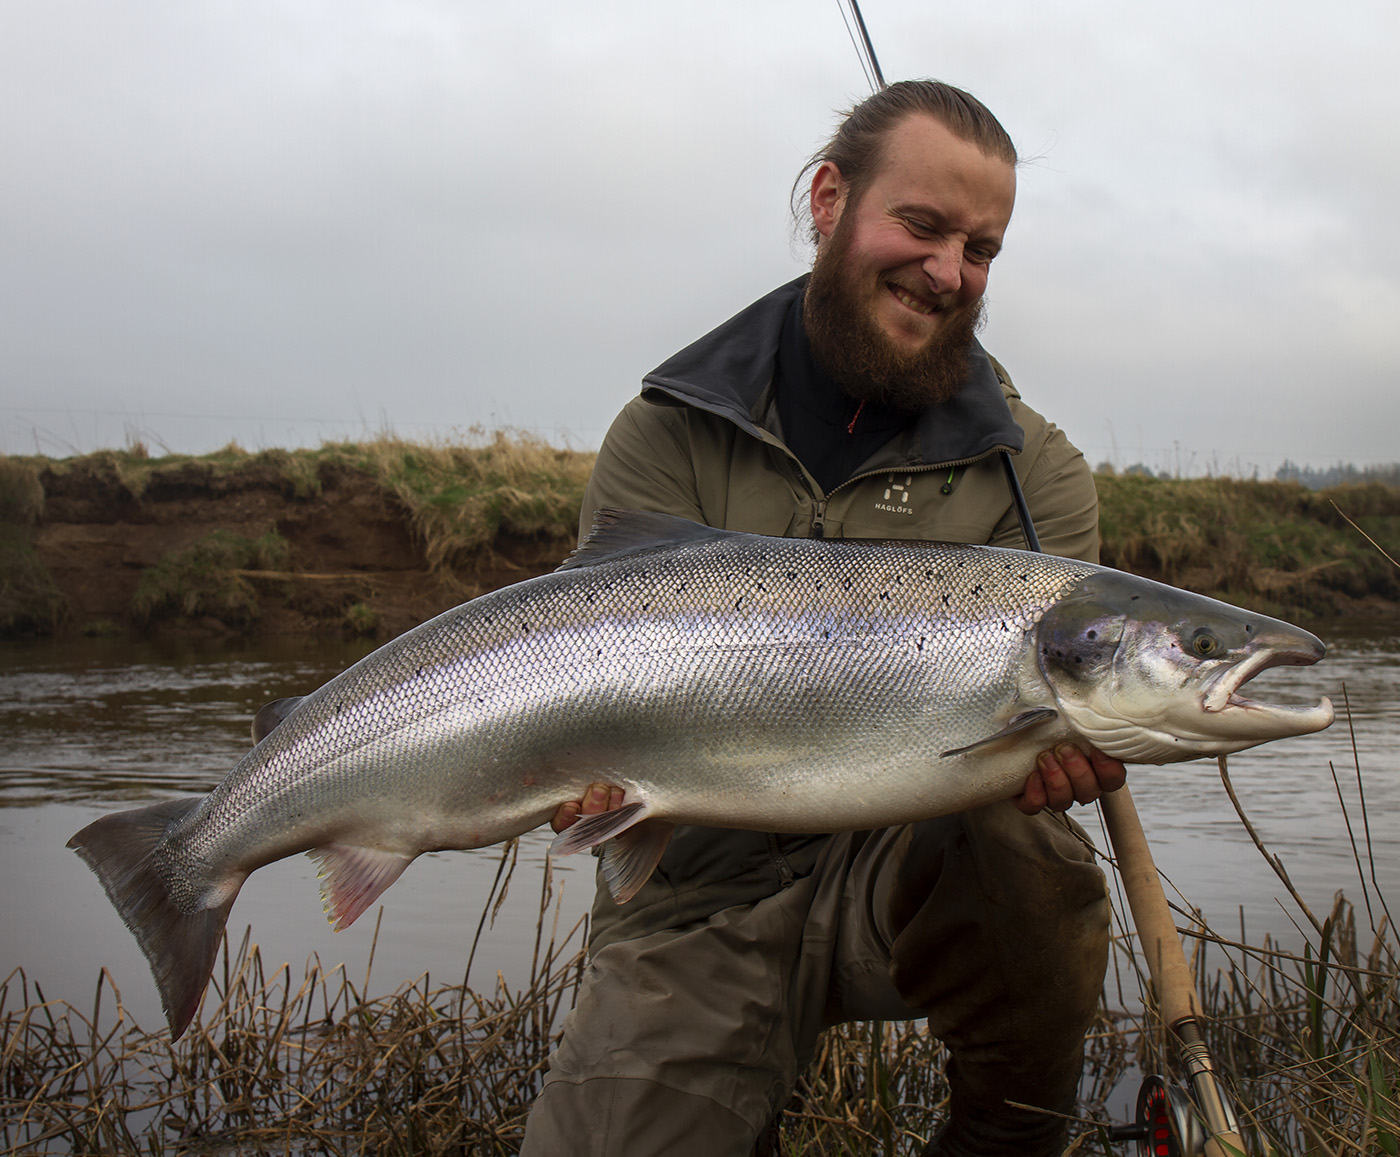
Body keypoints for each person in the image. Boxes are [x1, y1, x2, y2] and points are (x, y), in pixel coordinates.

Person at [520, 79, 1126, 1157]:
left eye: (980, 249)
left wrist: (1057, 759)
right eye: (922, 225)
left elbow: (1045, 749)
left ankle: (1006, 1135)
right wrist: (584, 774)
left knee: (1024, 840)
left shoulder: (1038, 477)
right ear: (826, 197)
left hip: (902, 877)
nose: (947, 273)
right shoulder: (662, 435)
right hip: (691, 901)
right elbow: (586, 695)